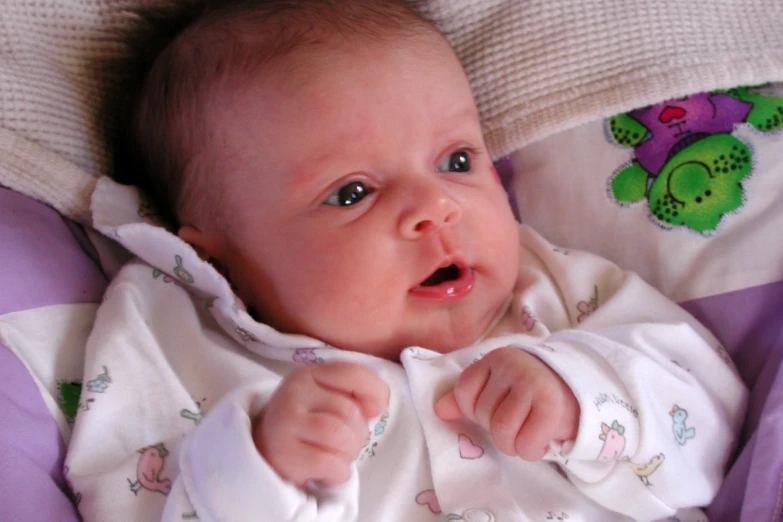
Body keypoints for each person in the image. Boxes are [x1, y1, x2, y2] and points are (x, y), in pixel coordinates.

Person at [64, 0, 747, 521]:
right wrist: (258, 471)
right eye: (352, 192)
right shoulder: (172, 337)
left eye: (456, 161)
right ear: (217, 256)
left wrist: (585, 400)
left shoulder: (559, 289)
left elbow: (713, 424)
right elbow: (124, 494)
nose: (436, 207)